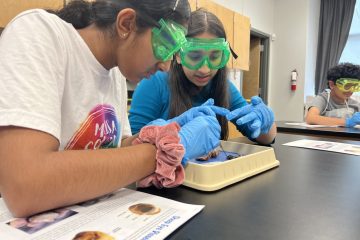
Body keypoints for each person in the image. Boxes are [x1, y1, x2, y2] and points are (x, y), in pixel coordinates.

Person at [0, 0, 222, 217]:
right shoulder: (40, 33)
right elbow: (26, 185)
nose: (165, 65)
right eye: (164, 45)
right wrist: (164, 152)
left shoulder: (115, 74)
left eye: (172, 52)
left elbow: (117, 155)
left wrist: (164, 134)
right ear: (126, 23)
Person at [129, 8, 277, 156]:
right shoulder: (154, 83)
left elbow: (267, 138)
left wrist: (265, 123)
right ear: (179, 55)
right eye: (194, 56)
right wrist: (180, 144)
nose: (205, 69)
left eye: (214, 57)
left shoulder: (223, 87)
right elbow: (129, 150)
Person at [306, 63, 360, 127]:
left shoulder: (355, 105)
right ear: (332, 84)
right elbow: (310, 118)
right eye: (347, 86)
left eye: (355, 86)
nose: (351, 91)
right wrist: (347, 122)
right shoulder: (323, 99)